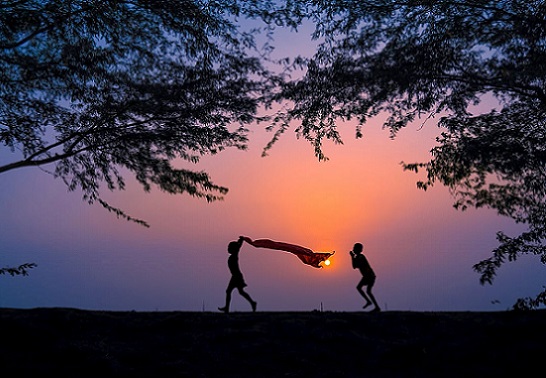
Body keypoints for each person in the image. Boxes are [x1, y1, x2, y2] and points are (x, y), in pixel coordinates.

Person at [218, 237, 257, 313]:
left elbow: (238, 247)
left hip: (236, 276)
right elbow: (238, 246)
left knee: (229, 291)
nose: (228, 249)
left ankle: (227, 308)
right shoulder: (233, 256)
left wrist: (241, 240)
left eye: (229, 247)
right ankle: (252, 303)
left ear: (233, 249)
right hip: (235, 276)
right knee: (240, 292)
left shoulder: (234, 255)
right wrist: (240, 240)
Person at [350, 242, 380, 312]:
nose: (353, 249)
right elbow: (354, 266)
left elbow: (356, 265)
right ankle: (375, 306)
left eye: (354, 248)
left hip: (369, 275)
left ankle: (371, 303)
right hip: (369, 275)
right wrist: (352, 257)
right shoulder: (358, 257)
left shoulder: (361, 257)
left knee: (362, 288)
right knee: (367, 291)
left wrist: (352, 257)